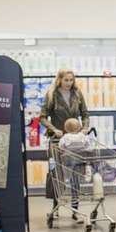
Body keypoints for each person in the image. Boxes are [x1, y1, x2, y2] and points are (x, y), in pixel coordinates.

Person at [41, 69, 90, 218]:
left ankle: (75, 209)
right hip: (57, 141)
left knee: (75, 174)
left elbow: (85, 114)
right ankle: (55, 207)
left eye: (71, 80)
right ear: (59, 80)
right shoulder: (51, 95)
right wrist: (54, 129)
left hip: (75, 141)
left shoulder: (77, 94)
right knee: (56, 174)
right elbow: (43, 117)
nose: (69, 83)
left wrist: (85, 128)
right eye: (66, 80)